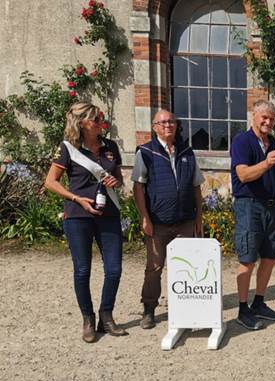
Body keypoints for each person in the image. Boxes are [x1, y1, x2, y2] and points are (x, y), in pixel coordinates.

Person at [44, 102, 127, 342]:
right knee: (82, 270)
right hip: (79, 216)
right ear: (82, 123)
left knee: (114, 269)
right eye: (96, 118)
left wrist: (116, 183)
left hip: (109, 214)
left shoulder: (110, 146)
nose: (101, 121)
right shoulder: (68, 148)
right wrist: (76, 198)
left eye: (101, 116)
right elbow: (51, 181)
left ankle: (107, 316)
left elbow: (119, 178)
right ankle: (88, 319)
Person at [132, 109, 204, 329]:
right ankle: (149, 309)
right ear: (154, 127)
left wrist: (199, 217)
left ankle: (186, 308)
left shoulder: (187, 152)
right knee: (154, 267)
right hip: (158, 221)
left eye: (171, 121)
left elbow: (196, 187)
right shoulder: (145, 152)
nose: (167, 125)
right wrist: (145, 218)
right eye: (162, 122)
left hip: (184, 220)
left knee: (187, 267)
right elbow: (138, 188)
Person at [231, 100, 275, 330]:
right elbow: (242, 174)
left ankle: (259, 303)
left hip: (271, 206)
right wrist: (265, 163)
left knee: (271, 257)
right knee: (247, 260)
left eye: (272, 119)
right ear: (254, 116)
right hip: (249, 206)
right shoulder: (241, 141)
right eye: (264, 117)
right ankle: (243, 310)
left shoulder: (272, 142)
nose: (268, 122)